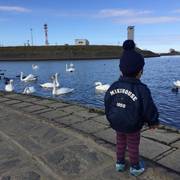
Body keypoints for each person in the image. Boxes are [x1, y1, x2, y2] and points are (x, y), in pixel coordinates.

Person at [104, 40, 159, 176]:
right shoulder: (141, 89)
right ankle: (135, 167)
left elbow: (107, 102)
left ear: (121, 70)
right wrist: (153, 121)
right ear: (140, 71)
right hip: (132, 124)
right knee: (133, 145)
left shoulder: (114, 86)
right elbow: (148, 108)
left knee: (120, 142)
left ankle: (120, 163)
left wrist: (111, 117)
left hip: (117, 122)